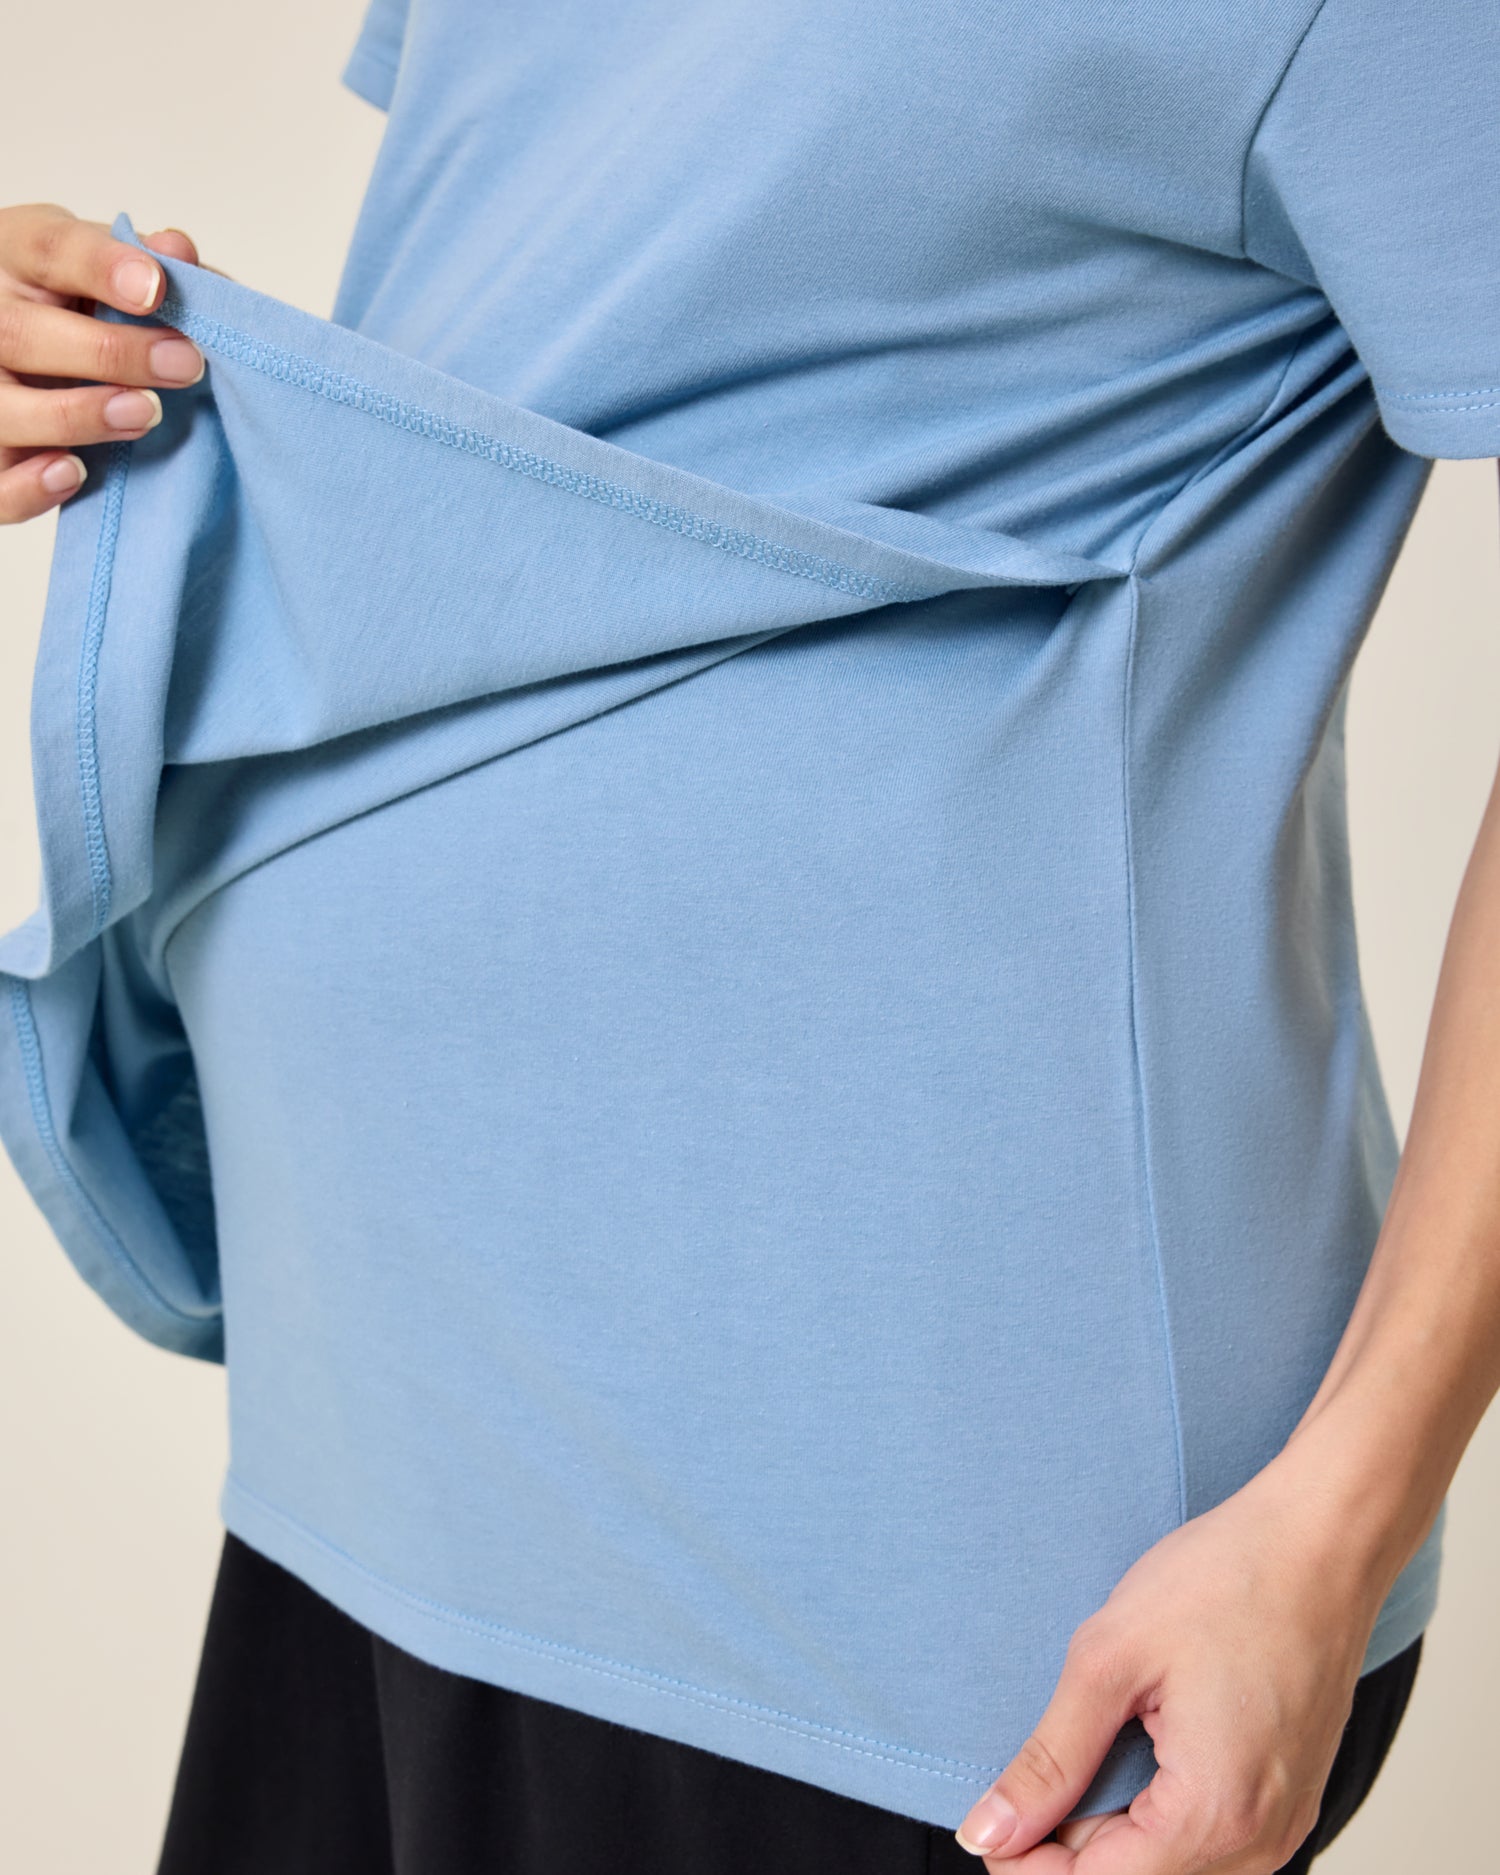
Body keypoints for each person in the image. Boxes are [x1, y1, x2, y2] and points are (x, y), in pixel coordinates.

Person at [1, 2, 1497, 1870]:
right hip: (375, 1439)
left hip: (886, 1603)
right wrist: (90, 359)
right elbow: (584, 352)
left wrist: (1338, 1524)